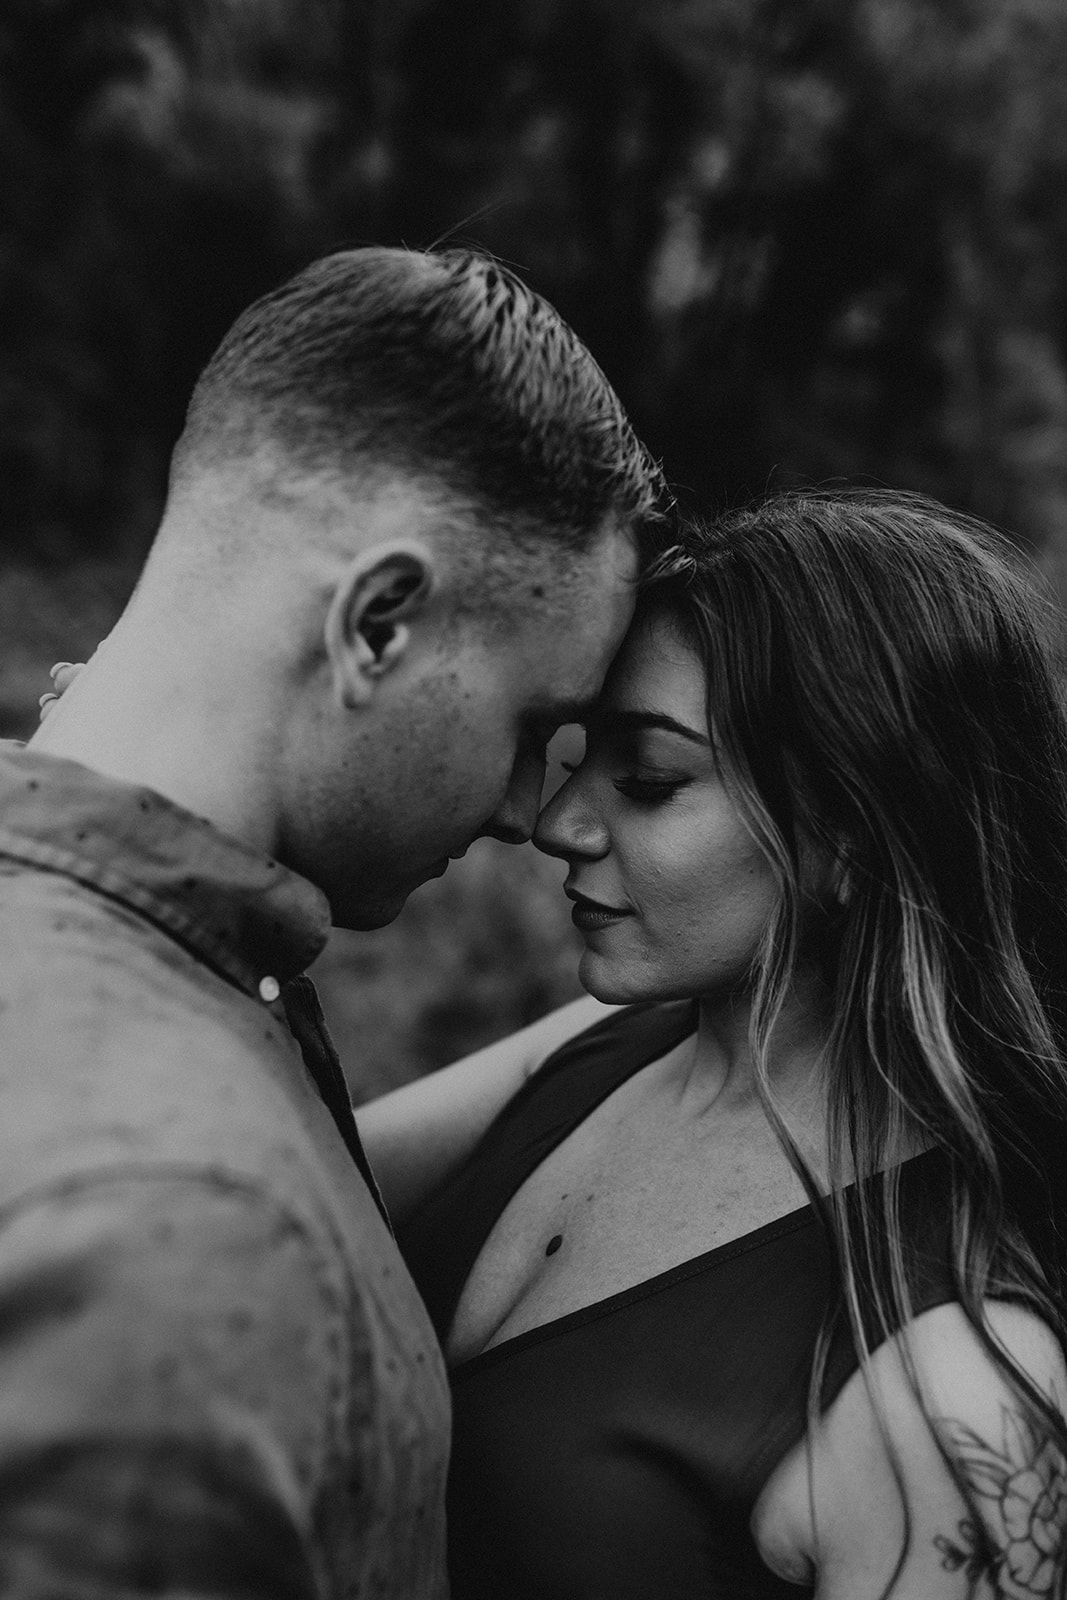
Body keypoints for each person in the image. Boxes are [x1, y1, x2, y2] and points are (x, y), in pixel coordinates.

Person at [0, 244, 670, 1598]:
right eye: (532, 725)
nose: (522, 815)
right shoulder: (182, 1238)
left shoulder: (164, 958)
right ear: (377, 624)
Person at [361, 490, 1067, 1599]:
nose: (560, 821)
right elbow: (274, 1174)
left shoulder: (951, 1396)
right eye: (578, 756)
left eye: (646, 780)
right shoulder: (602, 1043)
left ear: (850, 837)